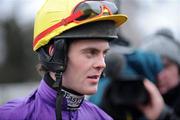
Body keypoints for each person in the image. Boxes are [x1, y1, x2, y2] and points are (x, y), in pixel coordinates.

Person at [0, 0, 128, 120]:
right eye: (91, 53)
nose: (102, 64)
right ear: (55, 53)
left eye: (104, 53)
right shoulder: (10, 116)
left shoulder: (102, 117)